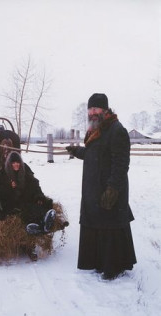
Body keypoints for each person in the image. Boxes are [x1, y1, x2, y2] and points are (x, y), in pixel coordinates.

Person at [66, 93, 136, 280]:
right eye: (90, 109)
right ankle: (99, 263)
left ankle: (113, 267)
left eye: (96, 108)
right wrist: (77, 151)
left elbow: (121, 163)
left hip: (109, 188)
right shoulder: (96, 130)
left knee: (110, 225)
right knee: (97, 223)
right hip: (93, 189)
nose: (92, 112)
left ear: (105, 110)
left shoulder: (116, 130)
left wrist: (112, 189)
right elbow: (93, 154)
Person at [0, 151, 56, 235]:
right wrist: (9, 186)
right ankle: (36, 226)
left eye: (18, 162)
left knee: (41, 203)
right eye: (13, 163)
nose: (16, 164)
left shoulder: (25, 168)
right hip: (11, 200)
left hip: (25, 196)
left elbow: (34, 184)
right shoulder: (3, 172)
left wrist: (39, 196)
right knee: (24, 210)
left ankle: (45, 222)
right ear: (9, 164)